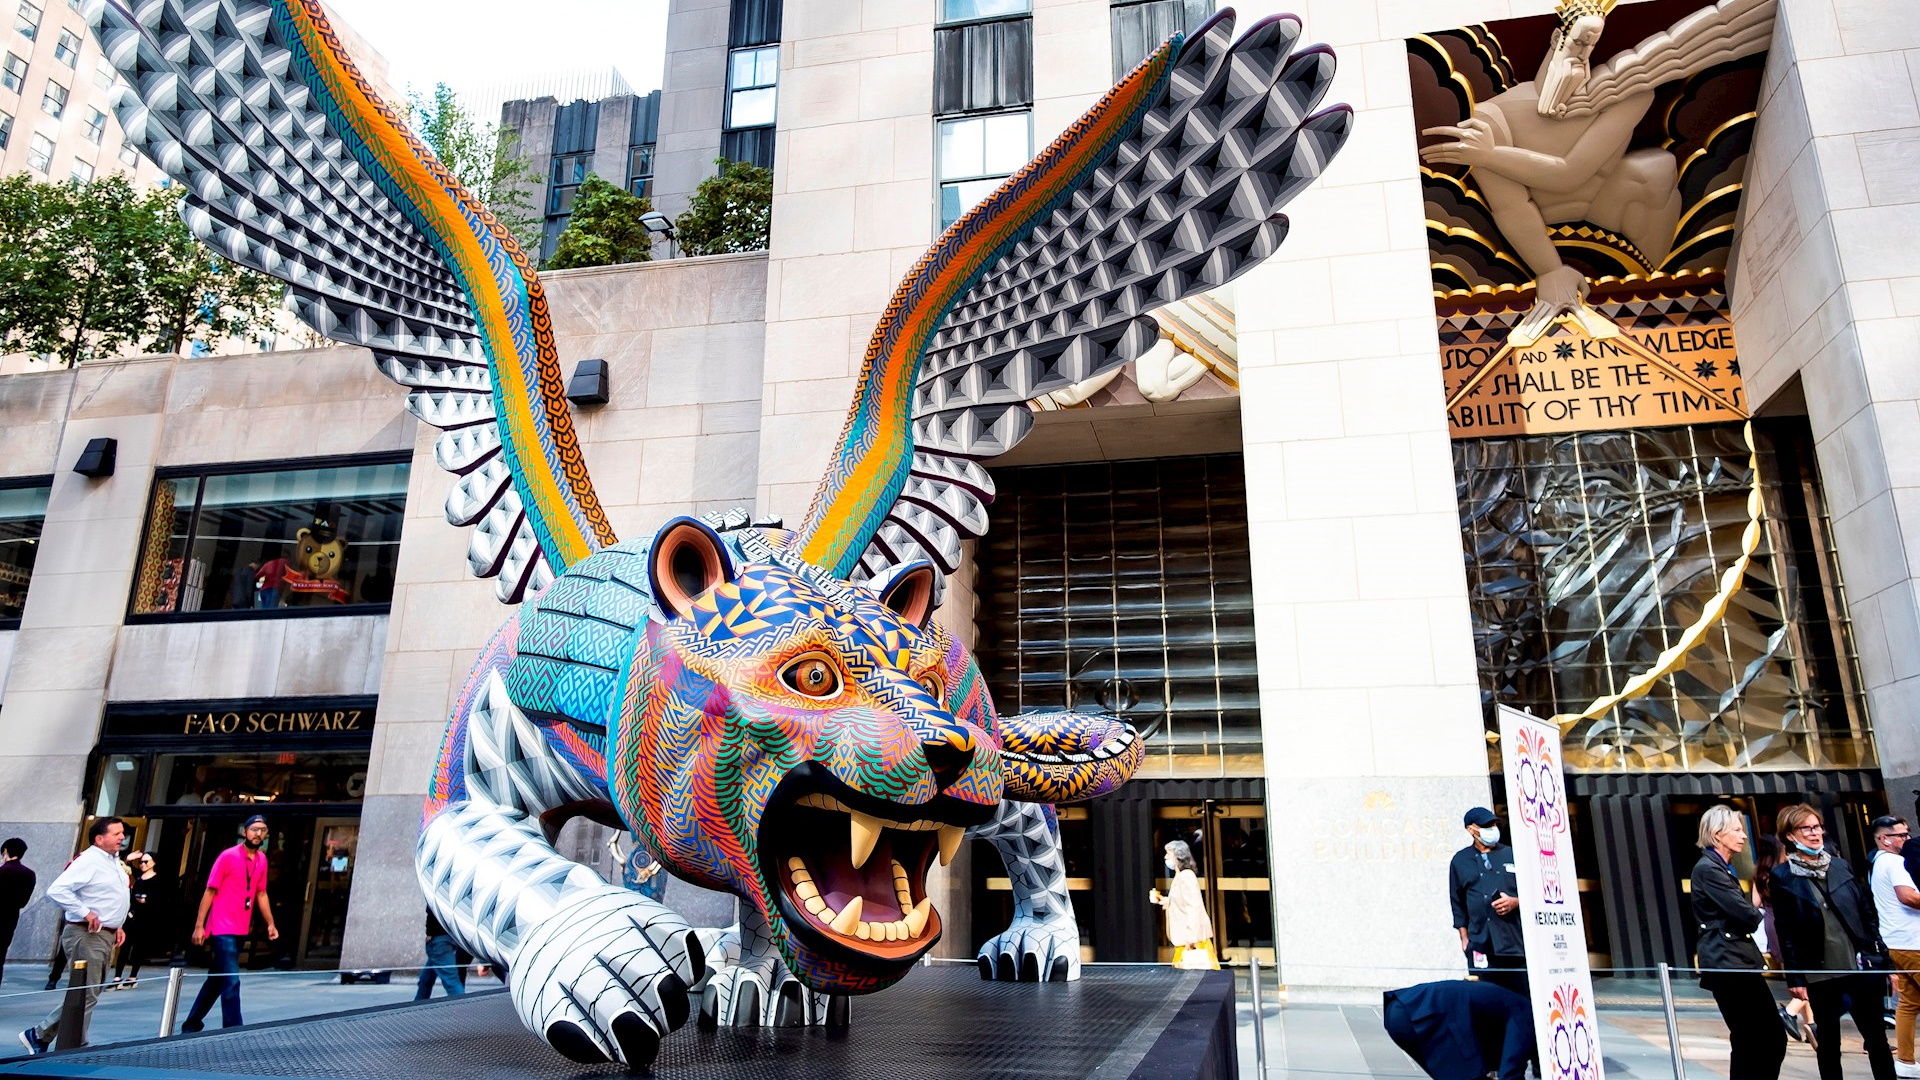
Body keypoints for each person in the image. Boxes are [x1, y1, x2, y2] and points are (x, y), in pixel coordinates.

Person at [1770, 803, 1896, 1080]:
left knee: (1876, 1038)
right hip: (1821, 969)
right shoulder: (1782, 877)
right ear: (1790, 835)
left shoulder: (1840, 866)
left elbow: (1867, 913)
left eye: (1817, 827)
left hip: (1859, 964)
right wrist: (1795, 976)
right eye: (1806, 828)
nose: (1815, 833)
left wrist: (1881, 957)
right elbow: (1786, 929)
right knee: (1829, 1043)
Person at [17, 818, 129, 1055]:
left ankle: (44, 1035)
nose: (122, 837)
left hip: (102, 934)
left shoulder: (111, 861)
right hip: (87, 933)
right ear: (99, 838)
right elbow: (56, 890)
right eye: (116, 833)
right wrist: (85, 912)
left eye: (122, 833)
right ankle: (59, 1039)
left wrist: (116, 924)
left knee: (89, 991)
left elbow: (107, 896)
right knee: (86, 991)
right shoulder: (89, 861)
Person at [1691, 804, 1786, 1080]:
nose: (1743, 836)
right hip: (1728, 964)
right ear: (1718, 834)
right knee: (1760, 1038)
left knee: (1758, 1039)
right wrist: (1754, 910)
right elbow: (1745, 914)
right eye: (1736, 829)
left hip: (1735, 961)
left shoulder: (1720, 867)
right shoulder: (1709, 869)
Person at [180, 816, 278, 1033]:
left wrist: (270, 923)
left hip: (241, 927)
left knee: (217, 979)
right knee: (232, 979)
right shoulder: (228, 856)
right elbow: (210, 890)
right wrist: (199, 925)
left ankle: (192, 1023)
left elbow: (261, 893)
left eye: (262, 830)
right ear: (245, 832)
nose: (258, 834)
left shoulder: (262, 860)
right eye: (254, 829)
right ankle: (234, 1029)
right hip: (221, 927)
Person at [1383, 979, 1535, 1080]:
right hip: (1427, 1015)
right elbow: (1510, 1072)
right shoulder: (1527, 1016)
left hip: (1400, 1007)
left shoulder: (1516, 1005)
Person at [1448, 807, 1526, 997]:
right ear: (1471, 830)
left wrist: (1516, 902)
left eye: (1493, 825)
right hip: (1480, 943)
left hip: (1517, 943)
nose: (1491, 829)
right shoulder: (1460, 860)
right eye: (1485, 826)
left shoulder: (1513, 854)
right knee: (1485, 1000)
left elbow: (1536, 893)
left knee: (1520, 999)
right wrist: (1464, 938)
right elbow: (1457, 902)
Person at [1869, 815, 1920, 1078]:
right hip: (1913, 943)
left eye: (1907, 833)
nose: (1907, 838)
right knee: (1909, 1003)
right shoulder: (1896, 862)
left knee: (1909, 1003)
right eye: (1901, 835)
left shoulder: (1877, 863)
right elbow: (1908, 896)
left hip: (1897, 942)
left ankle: (1906, 1061)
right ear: (1883, 838)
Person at [1148, 840, 1217, 969]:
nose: (1165, 857)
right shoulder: (1180, 876)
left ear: (1177, 856)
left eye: (1168, 854)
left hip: (1192, 939)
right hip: (1186, 938)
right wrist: (1165, 900)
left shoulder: (1186, 877)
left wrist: (1192, 937)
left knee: (1194, 974)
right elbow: (1182, 901)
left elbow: (1193, 906)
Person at [113, 852, 162, 988]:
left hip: (146, 918)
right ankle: (117, 976)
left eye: (146, 862)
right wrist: (128, 859)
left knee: (138, 948)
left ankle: (132, 976)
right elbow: (127, 868)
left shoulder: (157, 880)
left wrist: (147, 899)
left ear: (154, 863)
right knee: (125, 946)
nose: (142, 864)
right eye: (141, 862)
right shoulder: (139, 877)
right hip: (132, 916)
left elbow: (159, 898)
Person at [0, 838, 34, 985]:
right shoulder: (29, 874)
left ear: (5, 850)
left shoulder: (1, 871)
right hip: (9, 919)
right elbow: (23, 902)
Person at [415, 907, 466, 999]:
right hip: (448, 937)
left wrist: (430, 932)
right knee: (425, 980)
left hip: (438, 939)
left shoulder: (434, 892)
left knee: (451, 981)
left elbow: (433, 910)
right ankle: (417, 1004)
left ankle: (464, 1007)